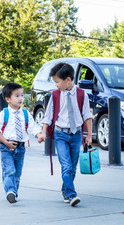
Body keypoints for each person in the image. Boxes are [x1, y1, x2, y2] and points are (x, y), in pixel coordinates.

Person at [40, 63, 93, 207]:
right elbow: (48, 115)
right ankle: (71, 194)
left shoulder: (82, 94)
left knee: (73, 166)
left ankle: (65, 189)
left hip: (76, 135)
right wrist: (44, 132)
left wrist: (88, 135)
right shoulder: (55, 95)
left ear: (68, 80)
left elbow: (87, 116)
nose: (56, 85)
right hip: (60, 134)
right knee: (66, 165)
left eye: (57, 82)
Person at [0, 83, 44, 204]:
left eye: (21, 95)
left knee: (17, 173)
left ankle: (14, 192)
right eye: (17, 96)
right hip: (6, 147)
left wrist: (39, 134)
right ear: (8, 99)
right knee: (9, 170)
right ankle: (10, 191)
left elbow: (32, 126)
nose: (21, 98)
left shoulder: (25, 113)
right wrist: (6, 143)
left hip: (20, 148)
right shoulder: (4, 114)